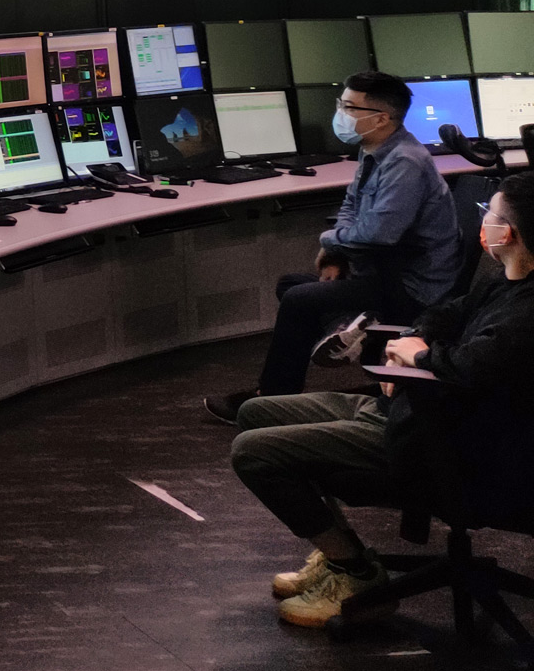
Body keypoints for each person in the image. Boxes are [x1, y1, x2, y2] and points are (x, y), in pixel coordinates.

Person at [228, 174, 534, 628]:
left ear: (506, 233)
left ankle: (353, 571)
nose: (482, 220)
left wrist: (418, 357)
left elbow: (470, 368)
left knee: (253, 453)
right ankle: (339, 557)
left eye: (488, 212)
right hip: (415, 410)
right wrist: (413, 337)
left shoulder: (526, 313)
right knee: (255, 413)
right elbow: (446, 313)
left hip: (446, 439)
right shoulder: (505, 281)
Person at [206, 71, 465, 424]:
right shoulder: (375, 149)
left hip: (410, 285)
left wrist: (329, 242)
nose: (341, 113)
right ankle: (351, 325)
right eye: (341, 104)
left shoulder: (404, 162)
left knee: (300, 299)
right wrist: (337, 253)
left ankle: (272, 400)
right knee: (291, 285)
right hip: (381, 270)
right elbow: (351, 206)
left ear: (381, 118)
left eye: (349, 107)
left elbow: (379, 234)